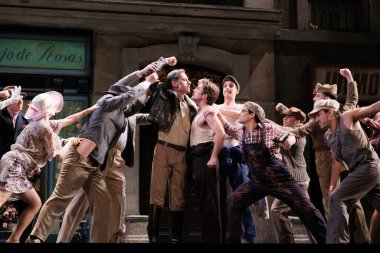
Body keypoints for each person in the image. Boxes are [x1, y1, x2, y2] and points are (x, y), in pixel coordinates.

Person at [26, 63, 159, 243]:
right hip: (80, 157)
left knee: (103, 205)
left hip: (96, 164)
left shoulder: (121, 113)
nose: (128, 93)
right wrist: (145, 82)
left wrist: (143, 74)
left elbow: (133, 105)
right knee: (60, 199)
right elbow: (127, 95)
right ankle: (35, 238)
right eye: (125, 91)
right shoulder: (106, 103)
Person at [276, 68, 369, 243]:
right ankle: (363, 238)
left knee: (330, 200)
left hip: (327, 160)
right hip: (345, 159)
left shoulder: (321, 116)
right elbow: (352, 99)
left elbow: (303, 128)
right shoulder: (341, 110)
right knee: (353, 201)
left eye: (317, 96)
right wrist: (350, 79)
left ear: (326, 100)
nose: (313, 98)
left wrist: (288, 134)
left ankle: (334, 238)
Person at [213, 101, 327, 243]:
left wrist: (289, 141)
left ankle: (327, 239)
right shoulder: (241, 132)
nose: (239, 113)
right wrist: (216, 112)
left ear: (252, 114)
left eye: (243, 111)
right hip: (257, 181)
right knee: (233, 201)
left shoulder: (268, 128)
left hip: (279, 180)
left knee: (306, 207)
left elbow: (288, 135)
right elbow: (227, 127)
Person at [56, 113, 151, 243]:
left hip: (118, 158)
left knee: (117, 201)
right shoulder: (108, 106)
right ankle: (62, 240)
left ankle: (109, 239)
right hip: (99, 155)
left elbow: (147, 117)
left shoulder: (131, 112)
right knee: (80, 200)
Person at [308, 99, 380, 243]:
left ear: (329, 112)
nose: (316, 119)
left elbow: (373, 107)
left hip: (368, 165)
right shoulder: (328, 136)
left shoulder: (347, 117)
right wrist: (332, 185)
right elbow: (337, 159)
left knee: (338, 198)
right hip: (358, 171)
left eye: (318, 114)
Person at [0, 91, 67, 243]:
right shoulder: (41, 126)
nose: (20, 102)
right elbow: (55, 153)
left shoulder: (31, 122)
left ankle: (14, 239)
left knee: (34, 203)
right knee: (3, 196)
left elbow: (54, 133)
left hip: (17, 166)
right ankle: (14, 239)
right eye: (16, 99)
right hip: (13, 165)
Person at [146, 68, 197, 243]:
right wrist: (165, 64)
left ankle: (175, 240)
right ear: (175, 83)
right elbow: (156, 84)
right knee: (157, 196)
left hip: (181, 154)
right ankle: (153, 239)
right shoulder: (166, 96)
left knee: (178, 198)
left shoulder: (191, 105)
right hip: (163, 149)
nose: (189, 82)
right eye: (185, 80)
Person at [216, 75, 267, 243]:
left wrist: (218, 110)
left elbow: (239, 118)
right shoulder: (217, 106)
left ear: (237, 90)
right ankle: (227, 236)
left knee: (242, 196)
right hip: (222, 153)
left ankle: (250, 236)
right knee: (222, 198)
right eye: (225, 86)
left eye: (231, 86)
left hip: (238, 153)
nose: (228, 88)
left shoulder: (242, 108)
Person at [269, 106, 315, 243]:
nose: (284, 118)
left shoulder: (296, 133)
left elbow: (277, 128)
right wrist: (282, 109)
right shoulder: (294, 130)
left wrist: (260, 117)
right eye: (285, 116)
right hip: (298, 180)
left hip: (295, 181)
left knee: (276, 210)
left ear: (298, 122)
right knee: (306, 213)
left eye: (289, 117)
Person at [189, 78, 224, 242]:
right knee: (203, 201)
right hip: (197, 156)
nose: (194, 89)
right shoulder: (200, 110)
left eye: (198, 88)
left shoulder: (208, 111)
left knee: (208, 201)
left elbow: (220, 133)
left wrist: (213, 157)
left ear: (204, 95)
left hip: (204, 155)